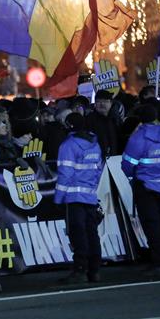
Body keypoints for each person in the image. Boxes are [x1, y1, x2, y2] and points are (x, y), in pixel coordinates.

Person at [122, 104, 160, 276]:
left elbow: (128, 164)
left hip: (145, 185)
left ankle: (158, 264)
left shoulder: (138, 138)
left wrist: (132, 177)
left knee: (151, 226)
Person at [55, 113, 103, 283]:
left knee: (78, 233)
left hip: (73, 197)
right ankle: (94, 269)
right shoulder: (95, 144)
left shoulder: (68, 146)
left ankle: (80, 269)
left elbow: (65, 174)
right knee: (91, 232)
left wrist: (58, 198)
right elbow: (98, 170)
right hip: (89, 196)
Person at [86, 90, 118, 158]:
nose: (102, 104)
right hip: (97, 160)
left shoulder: (115, 119)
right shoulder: (89, 120)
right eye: (99, 101)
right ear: (95, 103)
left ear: (111, 103)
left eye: (105, 101)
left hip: (114, 159)